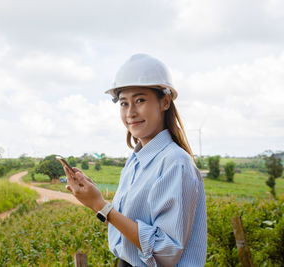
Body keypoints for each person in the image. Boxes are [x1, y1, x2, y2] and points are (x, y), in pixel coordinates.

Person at [63, 54, 207, 267]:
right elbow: (127, 229)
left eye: (140, 100)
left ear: (165, 102)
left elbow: (165, 252)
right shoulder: (135, 162)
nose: (131, 112)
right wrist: (95, 199)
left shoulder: (175, 163)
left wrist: (101, 206)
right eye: (124, 103)